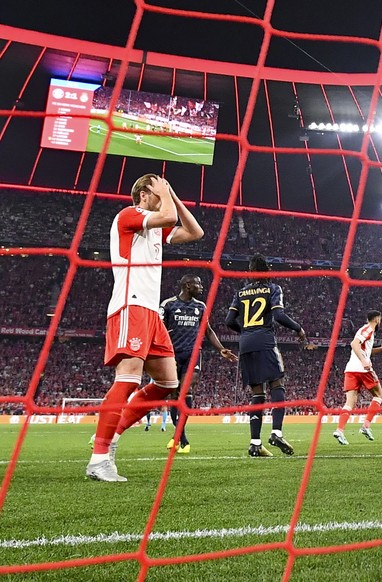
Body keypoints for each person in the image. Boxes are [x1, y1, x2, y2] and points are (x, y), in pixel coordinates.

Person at [86, 174, 204, 482]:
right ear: (143, 194)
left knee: (167, 383)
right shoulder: (129, 215)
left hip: (151, 312)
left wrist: (173, 196)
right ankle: (99, 460)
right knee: (127, 380)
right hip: (131, 305)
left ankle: (113, 435)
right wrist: (167, 200)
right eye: (158, 187)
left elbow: (195, 232)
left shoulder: (155, 228)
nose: (164, 190)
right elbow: (167, 216)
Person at [226, 254, 312, 457]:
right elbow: (279, 315)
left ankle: (255, 443)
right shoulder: (273, 288)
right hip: (265, 341)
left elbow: (229, 320)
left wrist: (247, 332)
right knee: (277, 384)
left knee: (257, 394)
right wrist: (299, 329)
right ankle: (276, 433)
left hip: (245, 343)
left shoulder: (240, 293)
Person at [160, 274, 238, 453]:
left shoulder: (200, 306)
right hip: (171, 354)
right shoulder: (168, 305)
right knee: (174, 395)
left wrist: (221, 349)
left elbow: (208, 331)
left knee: (186, 391)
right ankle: (182, 438)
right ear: (188, 285)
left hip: (193, 354)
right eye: (198, 283)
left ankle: (178, 438)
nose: (201, 287)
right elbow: (159, 328)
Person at [333, 311, 382, 445]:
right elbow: (354, 344)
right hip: (362, 369)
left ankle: (340, 430)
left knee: (350, 402)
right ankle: (366, 426)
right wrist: (364, 361)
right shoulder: (368, 329)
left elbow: (365, 350)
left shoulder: (364, 331)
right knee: (379, 395)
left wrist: (381, 348)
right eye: (380, 319)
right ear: (377, 319)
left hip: (350, 369)